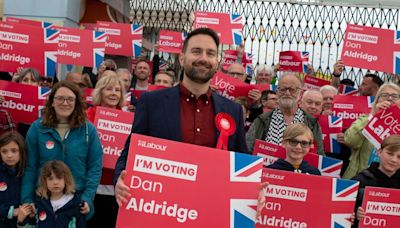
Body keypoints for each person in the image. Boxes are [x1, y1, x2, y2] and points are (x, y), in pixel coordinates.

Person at [114, 27, 249, 206]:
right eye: (196, 51)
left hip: (210, 210)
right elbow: (130, 152)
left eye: (210, 53)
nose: (203, 58)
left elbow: (242, 165)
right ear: (182, 57)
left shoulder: (233, 111)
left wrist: (253, 194)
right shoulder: (152, 102)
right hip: (162, 209)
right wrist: (119, 180)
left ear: (217, 62)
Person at [21, 81, 103, 219]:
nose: (65, 103)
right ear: (52, 102)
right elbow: (30, 167)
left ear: (77, 103)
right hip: (43, 201)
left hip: (76, 201)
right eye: (60, 98)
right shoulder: (37, 129)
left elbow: (94, 167)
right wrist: (27, 200)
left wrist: (87, 198)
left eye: (70, 99)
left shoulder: (89, 130)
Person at [246, 73, 324, 155]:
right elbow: (248, 151)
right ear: (277, 92)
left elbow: (319, 155)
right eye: (283, 89)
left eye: (292, 89)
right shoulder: (262, 120)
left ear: (300, 94)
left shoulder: (312, 122)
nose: (287, 93)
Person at [86, 75, 125, 228]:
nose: (114, 93)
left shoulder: (129, 119)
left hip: (114, 186)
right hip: (91, 184)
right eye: (109, 89)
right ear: (100, 92)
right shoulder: (87, 116)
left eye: (118, 90)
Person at [343, 82, 400, 179]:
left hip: (392, 181)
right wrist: (373, 116)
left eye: (394, 96)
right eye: (385, 95)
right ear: (377, 99)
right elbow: (350, 141)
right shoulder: (365, 119)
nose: (389, 99)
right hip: (361, 177)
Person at [17, 160, 87, 228]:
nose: (55, 182)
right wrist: (21, 221)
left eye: (59, 178)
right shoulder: (39, 203)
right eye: (50, 179)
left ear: (66, 179)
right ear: (45, 181)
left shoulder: (76, 204)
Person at [352, 135, 400, 227]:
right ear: (379, 152)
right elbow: (342, 213)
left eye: (399, 157)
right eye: (390, 153)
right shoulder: (360, 180)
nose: (394, 160)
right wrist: (355, 213)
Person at [0, 131, 27, 227]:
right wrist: (10, 211)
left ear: (21, 150)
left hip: (23, 222)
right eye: (4, 151)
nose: (9, 155)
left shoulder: (27, 173)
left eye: (14, 150)